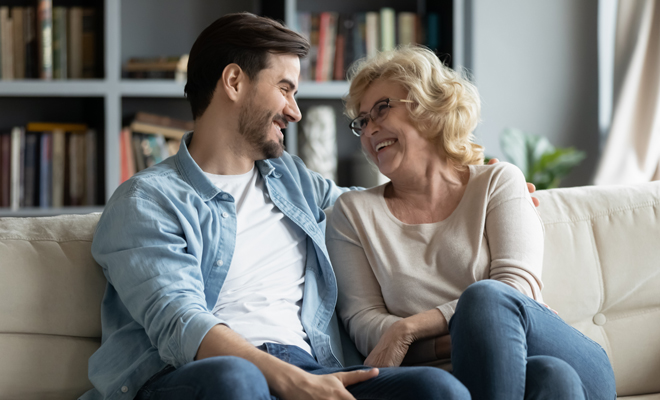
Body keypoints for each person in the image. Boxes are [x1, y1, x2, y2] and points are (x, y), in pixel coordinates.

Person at [82, 13, 471, 400]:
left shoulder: (291, 178)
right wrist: (290, 380)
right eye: (285, 88)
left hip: (312, 366)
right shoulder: (147, 200)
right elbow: (182, 324)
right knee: (238, 380)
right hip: (193, 375)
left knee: (436, 389)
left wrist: (468, 184)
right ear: (234, 82)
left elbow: (377, 206)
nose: (294, 111)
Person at [326, 45, 617, 400]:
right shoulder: (352, 214)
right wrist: (472, 337)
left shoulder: (498, 182)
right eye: (362, 121)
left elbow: (516, 287)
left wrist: (409, 329)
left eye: (382, 109)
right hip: (468, 379)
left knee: (488, 299)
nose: (370, 128)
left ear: (430, 108)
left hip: (563, 353)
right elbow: (367, 326)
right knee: (550, 378)